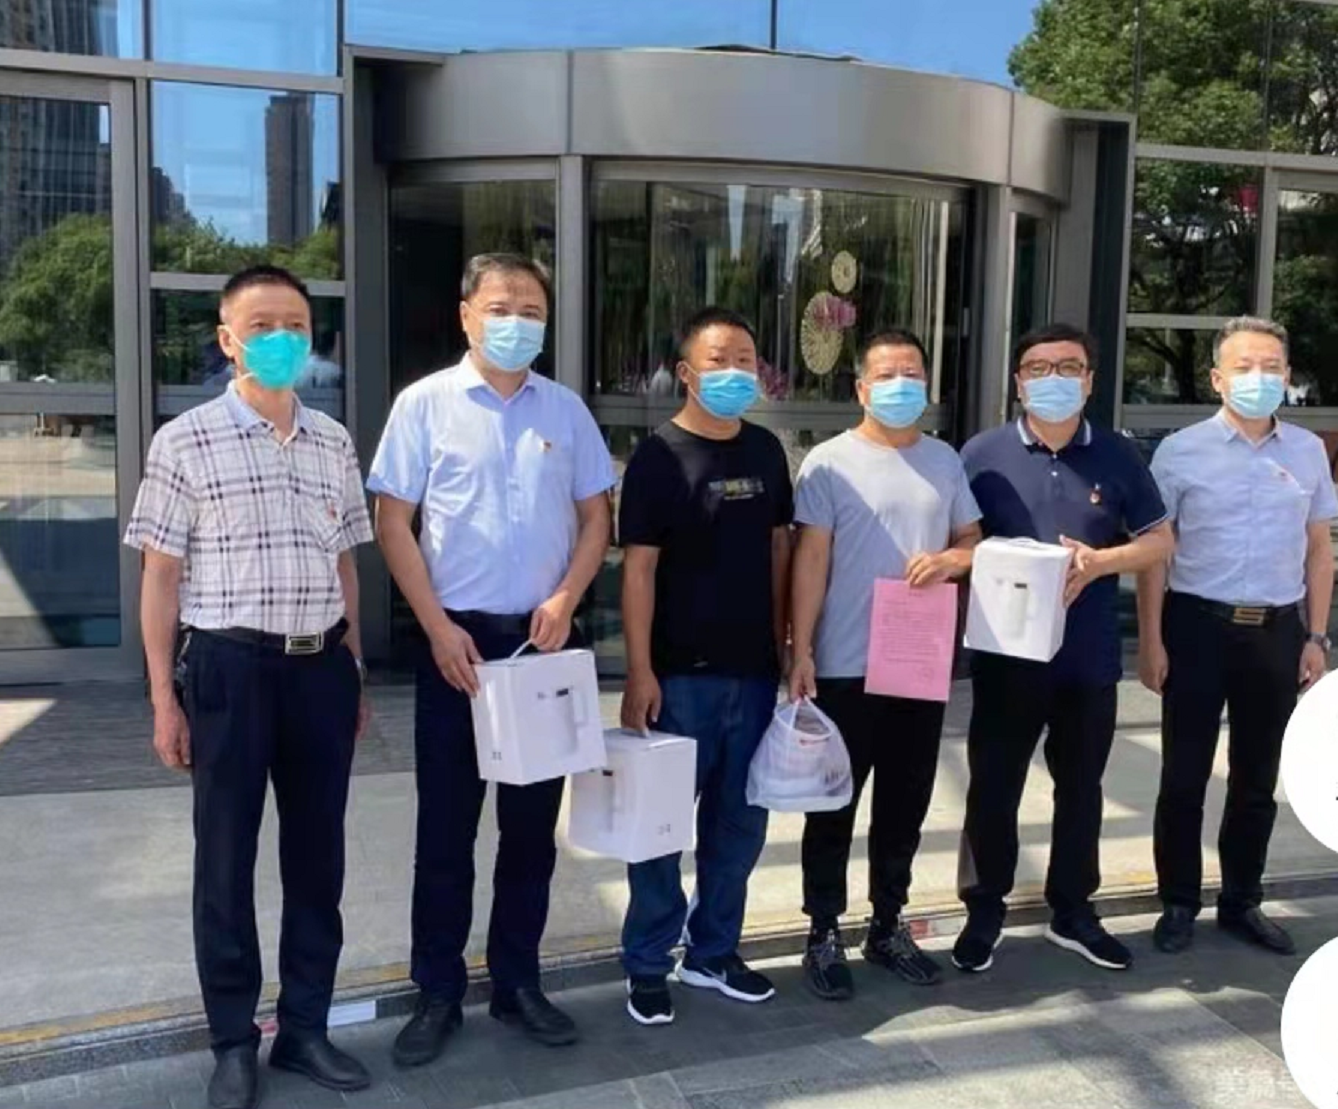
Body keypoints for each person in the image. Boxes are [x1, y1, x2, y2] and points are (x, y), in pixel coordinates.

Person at [124, 265, 374, 1109]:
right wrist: (164, 698)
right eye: (262, 325)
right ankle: (234, 1039)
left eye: (295, 325)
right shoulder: (185, 440)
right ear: (228, 339)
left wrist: (354, 667)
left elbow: (344, 564)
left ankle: (305, 1026)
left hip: (320, 668)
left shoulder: (333, 441)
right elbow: (161, 578)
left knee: (318, 858)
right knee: (224, 861)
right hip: (227, 669)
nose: (281, 339)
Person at [369, 253, 615, 1061]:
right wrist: (435, 627)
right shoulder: (424, 404)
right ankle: (437, 990)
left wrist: (567, 597)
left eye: (532, 309)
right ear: (467, 314)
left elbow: (597, 518)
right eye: (502, 307)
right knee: (446, 831)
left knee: (531, 833)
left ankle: (517, 982)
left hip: (542, 644)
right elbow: (393, 522)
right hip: (458, 646)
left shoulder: (565, 410)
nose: (517, 322)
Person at [954, 323, 1174, 975]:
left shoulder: (1117, 454)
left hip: (1088, 657)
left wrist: (1100, 560)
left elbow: (1160, 542)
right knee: (993, 787)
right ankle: (984, 909)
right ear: (1018, 382)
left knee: (1081, 789)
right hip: (1006, 657)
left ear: (1090, 380)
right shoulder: (982, 454)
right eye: (1038, 367)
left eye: (1068, 367)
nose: (1053, 379)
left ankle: (1073, 910)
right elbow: (957, 542)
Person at [789, 330, 982, 1001]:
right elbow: (810, 559)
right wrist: (801, 648)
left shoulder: (944, 459)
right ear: (861, 388)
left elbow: (971, 539)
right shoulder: (828, 462)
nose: (902, 384)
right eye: (888, 373)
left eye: (913, 373)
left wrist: (952, 560)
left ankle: (888, 924)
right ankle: (822, 930)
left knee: (905, 803)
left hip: (917, 662)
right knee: (833, 806)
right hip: (844, 663)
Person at [1138, 316, 1337, 957]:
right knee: (1184, 774)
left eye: (1271, 367)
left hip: (1277, 632)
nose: (1259, 377)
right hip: (1196, 626)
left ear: (1288, 375)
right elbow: (1155, 555)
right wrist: (1151, 641)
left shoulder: (1306, 451)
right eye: (1244, 367)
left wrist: (1317, 636)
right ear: (1217, 378)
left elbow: (1319, 549)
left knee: (1257, 777)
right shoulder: (1180, 451)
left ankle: (1242, 900)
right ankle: (1177, 902)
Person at [618, 306, 793, 1027]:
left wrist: (787, 647)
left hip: (754, 674)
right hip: (678, 677)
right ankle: (647, 961)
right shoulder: (658, 457)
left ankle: (714, 951)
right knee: (660, 829)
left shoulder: (767, 450)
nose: (734, 372)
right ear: (687, 372)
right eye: (719, 360)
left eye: (746, 360)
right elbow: (638, 571)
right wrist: (638, 671)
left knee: (739, 825)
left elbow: (780, 550)